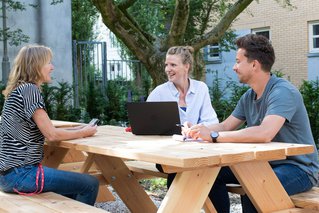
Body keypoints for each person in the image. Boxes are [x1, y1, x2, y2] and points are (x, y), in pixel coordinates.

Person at [186, 34, 319, 212]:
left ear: (254, 64)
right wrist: (196, 130)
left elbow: (265, 133)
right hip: (262, 163)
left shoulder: (283, 92)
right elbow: (226, 126)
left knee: (254, 189)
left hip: (298, 168)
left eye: (238, 61)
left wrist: (214, 136)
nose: (234, 67)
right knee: (205, 174)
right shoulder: (249, 96)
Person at [0, 44, 99, 206]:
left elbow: (47, 129)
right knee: (89, 184)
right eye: (48, 63)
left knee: (73, 189)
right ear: (36, 66)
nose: (52, 67)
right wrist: (84, 133)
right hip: (22, 175)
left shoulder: (19, 90)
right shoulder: (29, 90)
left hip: (8, 175)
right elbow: (51, 135)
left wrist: (79, 129)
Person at [147, 46, 219, 188]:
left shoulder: (201, 88)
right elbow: (146, 126)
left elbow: (212, 121)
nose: (168, 69)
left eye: (173, 65)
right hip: (168, 154)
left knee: (213, 174)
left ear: (186, 67)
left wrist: (196, 128)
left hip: (198, 152)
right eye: (166, 65)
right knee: (178, 168)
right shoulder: (159, 92)